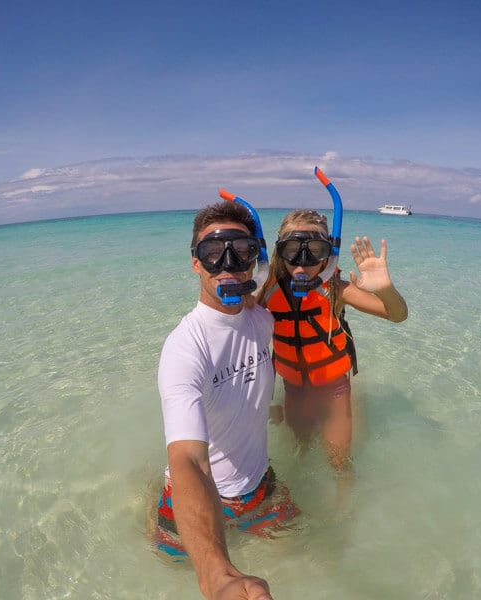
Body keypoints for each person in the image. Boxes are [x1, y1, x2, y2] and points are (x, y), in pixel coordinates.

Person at [155, 200, 298, 600]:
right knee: (167, 569)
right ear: (196, 263)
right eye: (213, 254)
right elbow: (188, 459)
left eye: (241, 251)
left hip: (260, 486)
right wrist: (216, 577)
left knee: (308, 552)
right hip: (197, 497)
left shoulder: (262, 318)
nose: (229, 265)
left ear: (255, 258)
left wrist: (271, 408)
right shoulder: (185, 349)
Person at [257, 171, 408, 475]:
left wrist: (385, 289)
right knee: (298, 452)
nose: (302, 262)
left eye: (314, 251)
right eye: (292, 250)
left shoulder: (336, 288)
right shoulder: (268, 289)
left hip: (335, 390)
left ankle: (344, 517)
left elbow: (397, 315)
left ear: (329, 254)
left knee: (340, 465)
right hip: (293, 389)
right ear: (279, 251)